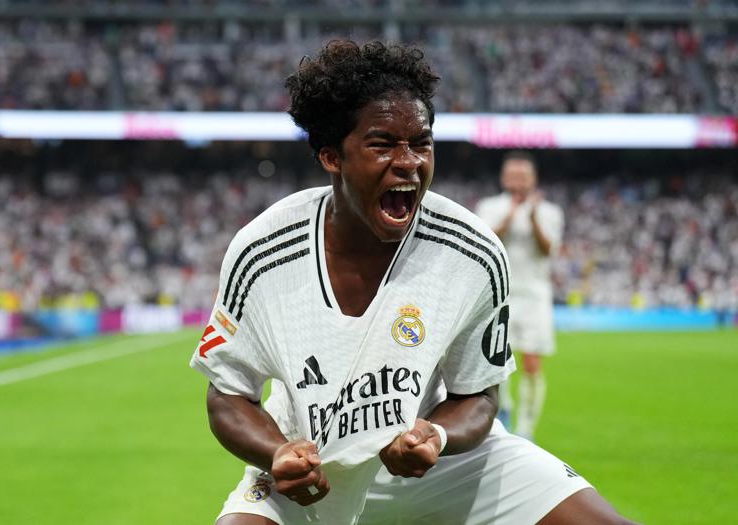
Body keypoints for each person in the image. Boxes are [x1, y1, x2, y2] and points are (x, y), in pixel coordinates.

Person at [191, 40, 635, 525]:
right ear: (331, 156)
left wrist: (437, 436)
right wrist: (276, 452)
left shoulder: (473, 252)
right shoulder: (263, 250)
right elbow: (229, 394)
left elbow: (480, 395)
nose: (409, 162)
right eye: (382, 144)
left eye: (421, 142)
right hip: (309, 470)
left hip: (444, 465)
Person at [475, 152, 564, 441]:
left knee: (532, 362)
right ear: (504, 178)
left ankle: (527, 429)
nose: (517, 182)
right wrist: (511, 214)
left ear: (533, 179)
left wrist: (534, 216)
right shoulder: (490, 207)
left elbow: (548, 249)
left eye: (523, 176)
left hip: (535, 295)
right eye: (512, 176)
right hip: (499, 294)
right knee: (497, 361)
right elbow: (486, 240)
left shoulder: (549, 211)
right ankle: (505, 413)